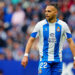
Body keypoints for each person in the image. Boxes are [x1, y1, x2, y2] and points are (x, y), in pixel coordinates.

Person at [21, 5, 75, 75]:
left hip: (58, 61)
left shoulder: (63, 25)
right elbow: (31, 40)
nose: (46, 13)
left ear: (55, 12)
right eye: (45, 11)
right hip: (44, 60)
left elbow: (70, 41)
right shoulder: (40, 25)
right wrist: (25, 55)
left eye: (49, 11)